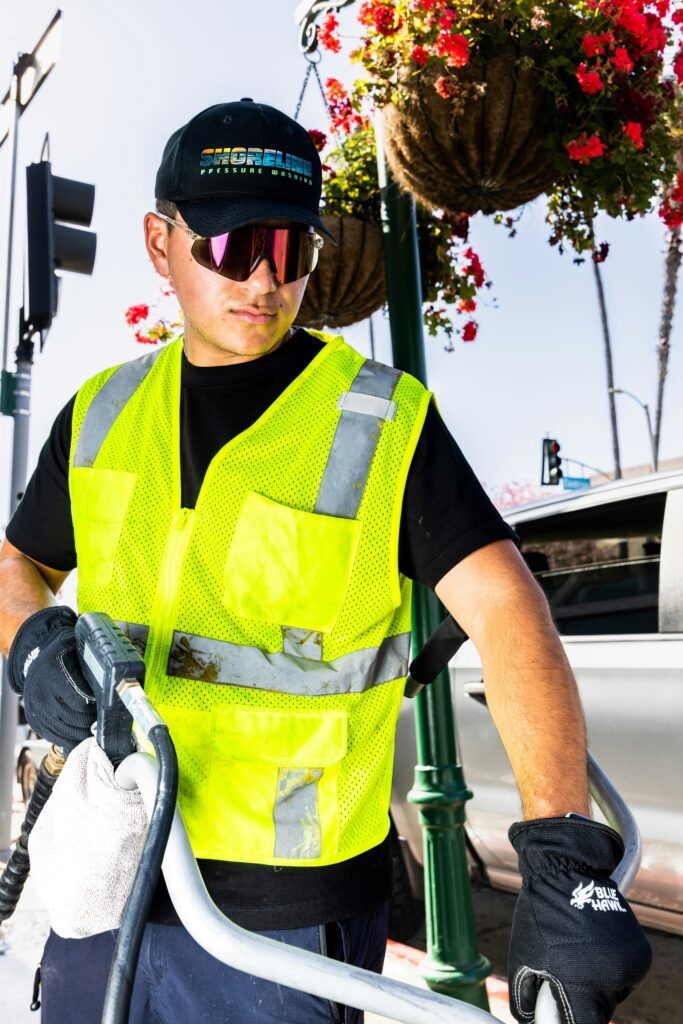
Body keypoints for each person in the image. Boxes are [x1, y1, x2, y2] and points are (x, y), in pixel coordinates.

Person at [0, 99, 651, 1024]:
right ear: (160, 242)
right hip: (103, 869)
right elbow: (17, 566)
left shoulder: (384, 424)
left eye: (292, 250)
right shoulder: (100, 412)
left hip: (278, 926)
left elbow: (510, 614)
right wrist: (32, 644)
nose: (265, 279)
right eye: (232, 247)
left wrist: (561, 852)